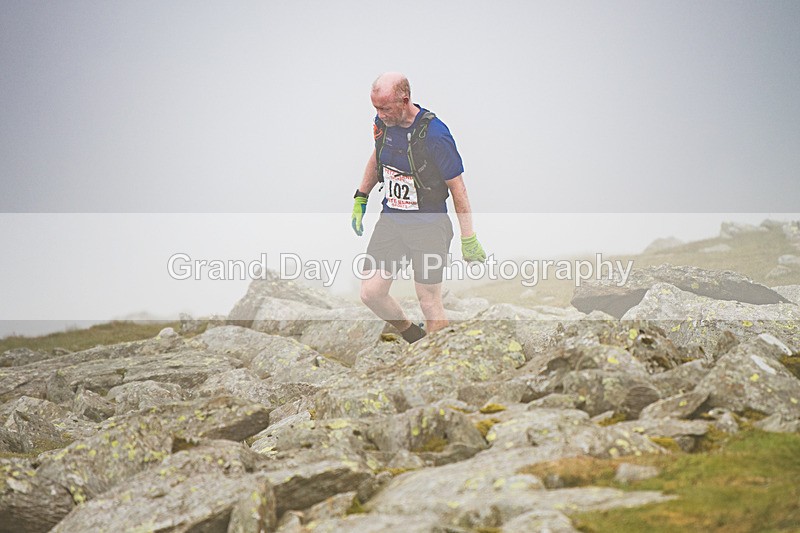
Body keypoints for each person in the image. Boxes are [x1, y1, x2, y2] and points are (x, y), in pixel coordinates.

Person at [351, 72, 486, 343]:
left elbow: (457, 188)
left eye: (385, 108)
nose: (380, 114)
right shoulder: (383, 124)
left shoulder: (436, 135)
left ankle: (440, 363)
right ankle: (413, 336)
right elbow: (378, 155)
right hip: (392, 221)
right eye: (375, 108)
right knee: (371, 293)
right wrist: (361, 196)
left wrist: (468, 237)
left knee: (429, 302)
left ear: (405, 99)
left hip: (428, 226)